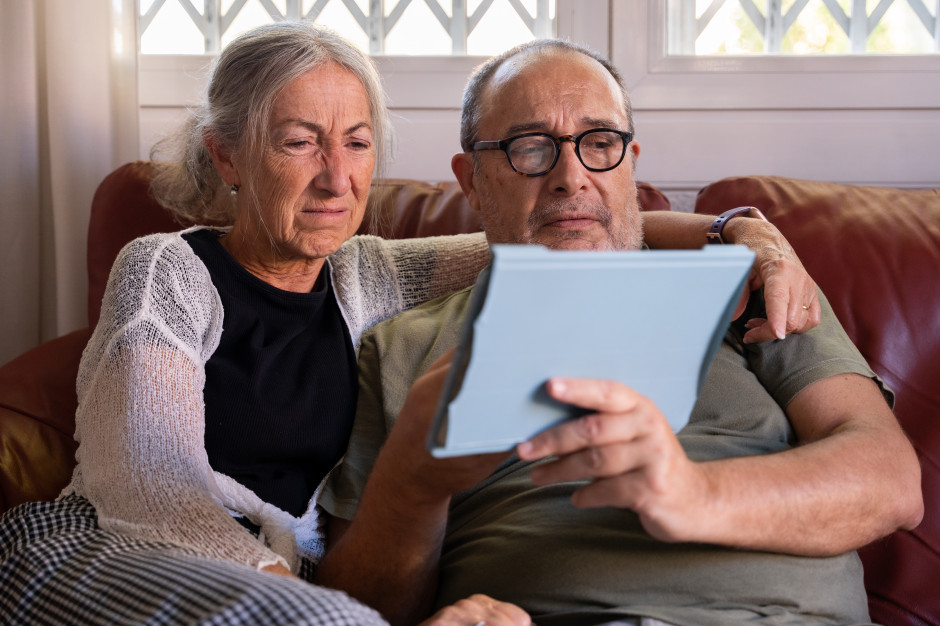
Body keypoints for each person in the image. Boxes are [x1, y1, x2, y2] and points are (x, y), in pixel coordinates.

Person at [0, 23, 818, 626]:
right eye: (299, 142)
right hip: (104, 553)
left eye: (357, 143)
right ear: (227, 157)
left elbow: (556, 222)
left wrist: (741, 230)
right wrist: (295, 595)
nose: (336, 176)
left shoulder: (370, 273)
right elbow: (148, 485)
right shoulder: (167, 270)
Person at [314, 40, 924, 626]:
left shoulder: (755, 286)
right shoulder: (399, 346)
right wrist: (414, 482)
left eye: (599, 142)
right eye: (531, 148)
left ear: (630, 163)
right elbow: (357, 610)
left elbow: (890, 479)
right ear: (471, 180)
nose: (571, 178)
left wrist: (693, 493)